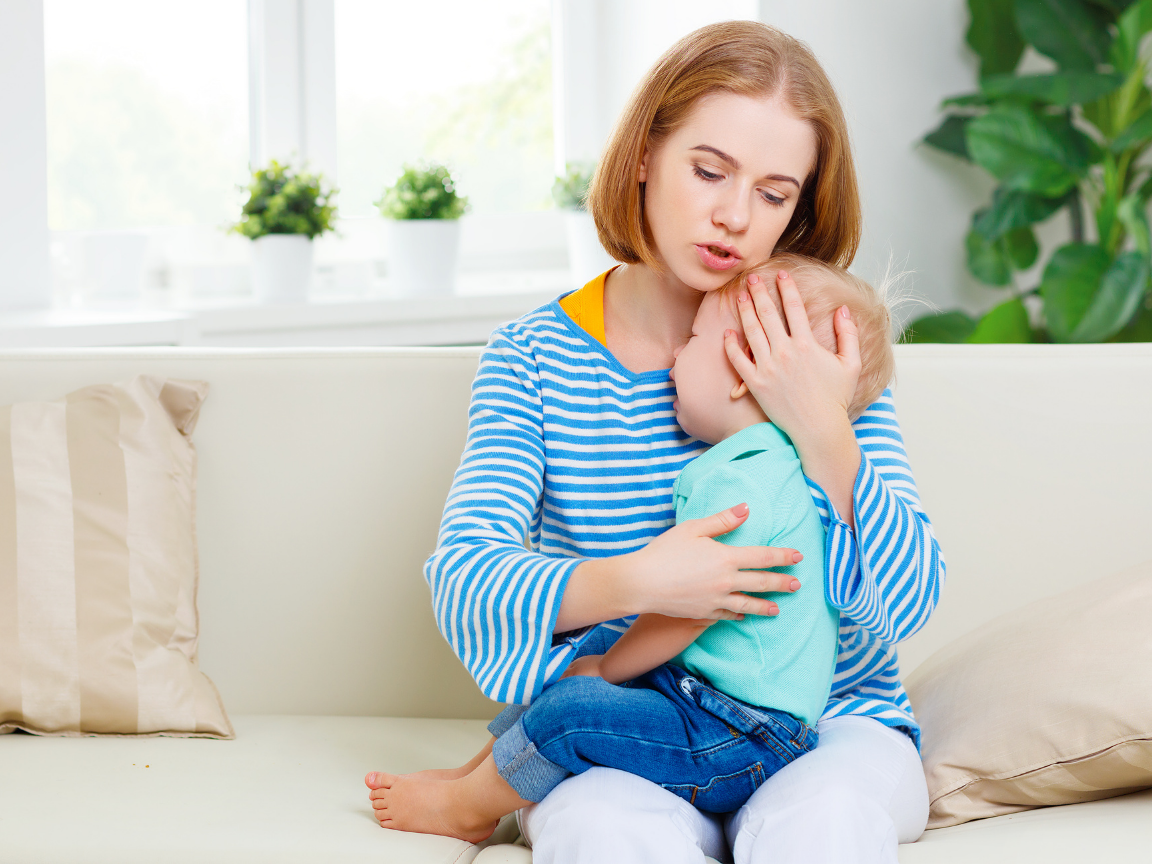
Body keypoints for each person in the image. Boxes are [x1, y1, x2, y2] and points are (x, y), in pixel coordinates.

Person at [367, 20, 944, 863]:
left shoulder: (817, 344)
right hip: (645, 724)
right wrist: (640, 579)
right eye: (709, 171)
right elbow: (466, 576)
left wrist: (821, 427)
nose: (734, 216)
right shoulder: (534, 358)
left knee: (823, 822)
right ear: (644, 155)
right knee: (600, 830)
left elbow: (911, 601)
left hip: (833, 727)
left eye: (775, 193)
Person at [365, 256, 898, 844]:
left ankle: (468, 806)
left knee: (578, 703)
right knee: (587, 652)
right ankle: (475, 774)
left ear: (744, 375)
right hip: (718, 705)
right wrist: (612, 631)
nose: (675, 356)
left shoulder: (740, 480)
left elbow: (692, 610)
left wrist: (607, 670)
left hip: (743, 731)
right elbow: (469, 567)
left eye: (694, 340)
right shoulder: (769, 463)